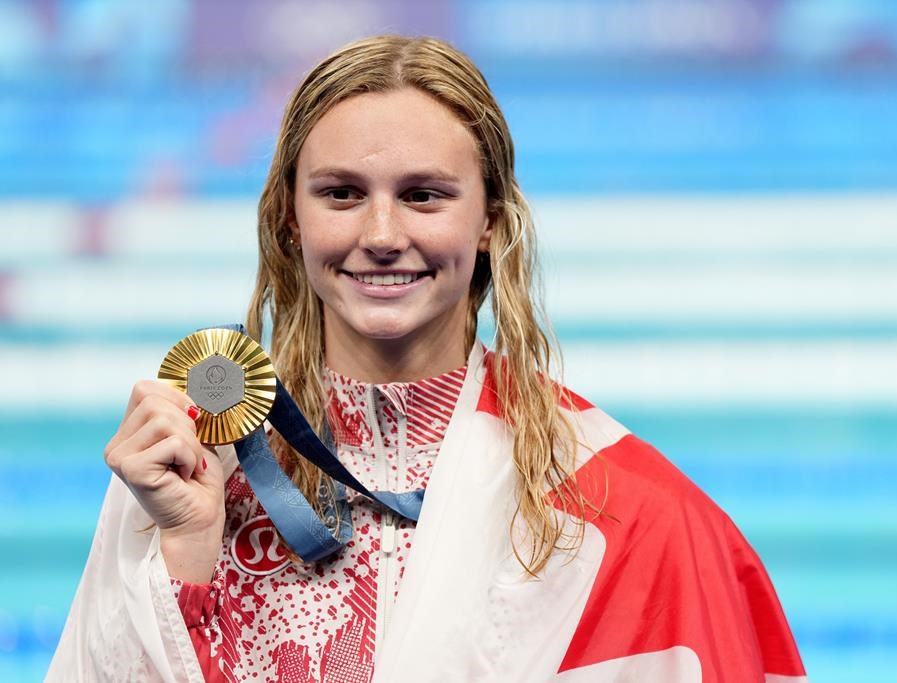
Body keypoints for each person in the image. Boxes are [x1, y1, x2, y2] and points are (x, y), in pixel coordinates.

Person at [47, 35, 808, 682]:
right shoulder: (190, 462)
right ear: (290, 218)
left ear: (489, 222)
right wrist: (186, 554)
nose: (381, 233)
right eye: (341, 194)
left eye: (424, 195)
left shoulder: (626, 514)